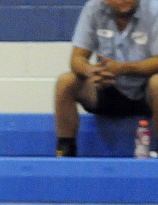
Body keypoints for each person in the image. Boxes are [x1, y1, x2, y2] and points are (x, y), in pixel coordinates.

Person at [54, 0, 158, 157]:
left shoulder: (154, 9)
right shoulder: (92, 9)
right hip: (107, 88)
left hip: (146, 91)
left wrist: (123, 68)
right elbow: (77, 59)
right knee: (65, 82)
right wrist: (91, 71)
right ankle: (65, 151)